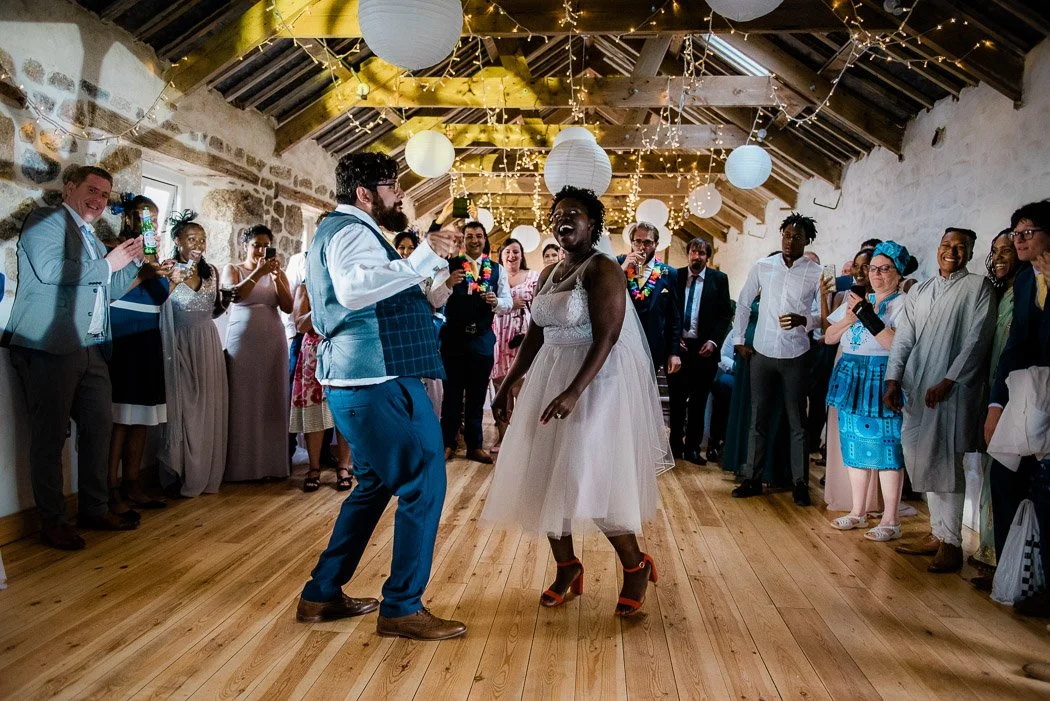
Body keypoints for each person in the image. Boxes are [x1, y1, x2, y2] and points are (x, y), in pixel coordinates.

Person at [297, 151, 466, 640]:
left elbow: (383, 295)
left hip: (358, 380)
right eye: (392, 187)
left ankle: (321, 593)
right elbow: (352, 291)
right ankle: (402, 607)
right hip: (377, 380)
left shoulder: (353, 232)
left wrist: (432, 281)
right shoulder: (350, 229)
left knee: (372, 485)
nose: (400, 197)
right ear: (364, 194)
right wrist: (422, 256)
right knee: (424, 481)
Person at [483, 185, 672, 617]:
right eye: (557, 215)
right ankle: (567, 568)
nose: (562, 220)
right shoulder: (550, 273)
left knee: (589, 475)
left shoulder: (603, 268)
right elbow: (534, 334)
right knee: (544, 474)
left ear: (592, 224)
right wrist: (509, 384)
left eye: (572, 214)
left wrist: (574, 391)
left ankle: (635, 566)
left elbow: (607, 335)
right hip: (549, 377)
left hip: (594, 382)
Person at [2, 165, 145, 549]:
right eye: (93, 191)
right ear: (70, 188)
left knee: (99, 431)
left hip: (92, 347)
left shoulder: (93, 238)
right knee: (50, 438)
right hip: (49, 345)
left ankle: (95, 508)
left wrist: (129, 262)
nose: (99, 201)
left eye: (105, 195)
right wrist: (108, 263)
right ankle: (52, 521)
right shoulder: (46, 220)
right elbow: (50, 271)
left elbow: (107, 288)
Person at [886, 227, 996, 573]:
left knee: (947, 462)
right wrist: (893, 378)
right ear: (937, 249)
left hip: (954, 390)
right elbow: (905, 337)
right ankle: (936, 533)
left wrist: (950, 379)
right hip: (918, 387)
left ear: (971, 252)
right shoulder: (921, 289)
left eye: (961, 247)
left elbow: (978, 339)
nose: (953, 251)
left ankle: (952, 543)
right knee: (920, 456)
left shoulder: (979, 287)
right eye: (947, 245)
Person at [984, 201, 1050, 616]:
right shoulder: (1024, 281)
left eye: (1028, 232)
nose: (1019, 240)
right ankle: (1015, 575)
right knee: (1004, 475)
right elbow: (1016, 344)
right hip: (1028, 394)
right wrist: (995, 404)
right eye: (1015, 233)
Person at [731, 213, 823, 506]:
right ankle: (752, 478)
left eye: (797, 237)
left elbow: (824, 317)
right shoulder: (763, 266)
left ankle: (800, 483)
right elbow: (744, 302)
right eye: (786, 235)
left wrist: (804, 320)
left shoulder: (817, 272)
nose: (790, 241)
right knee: (757, 418)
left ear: (807, 240)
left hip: (796, 354)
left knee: (798, 422)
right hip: (762, 352)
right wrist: (739, 340)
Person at [824, 242, 912, 541]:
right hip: (852, 373)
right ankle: (857, 511)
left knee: (888, 447)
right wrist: (850, 317)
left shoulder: (903, 304)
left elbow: (896, 345)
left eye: (885, 268)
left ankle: (891, 518)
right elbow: (828, 337)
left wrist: (868, 317)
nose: (877, 274)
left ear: (898, 273)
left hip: (882, 375)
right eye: (873, 268)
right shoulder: (858, 299)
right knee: (854, 444)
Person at [106, 194, 173, 522]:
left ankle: (133, 483)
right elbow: (109, 291)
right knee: (120, 415)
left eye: (153, 220)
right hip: (122, 332)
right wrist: (145, 272)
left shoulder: (151, 253)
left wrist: (165, 276)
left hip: (148, 333)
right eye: (143, 218)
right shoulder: (114, 249)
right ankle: (110, 487)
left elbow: (160, 297)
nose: (148, 225)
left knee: (142, 414)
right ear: (129, 219)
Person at [159, 212, 231, 497]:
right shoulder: (167, 269)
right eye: (192, 239)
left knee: (206, 409)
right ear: (177, 241)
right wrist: (175, 280)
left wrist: (225, 304)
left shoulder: (211, 271)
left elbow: (212, 310)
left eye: (202, 239)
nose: (199, 244)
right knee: (183, 407)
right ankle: (180, 471)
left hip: (207, 342)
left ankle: (205, 473)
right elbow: (158, 303)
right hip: (177, 342)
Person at [433, 221, 512, 463]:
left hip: (482, 339)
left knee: (477, 395)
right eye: (470, 236)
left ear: (485, 239)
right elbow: (434, 300)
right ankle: (448, 443)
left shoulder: (496, 269)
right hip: (454, 339)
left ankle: (474, 446)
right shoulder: (448, 266)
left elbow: (508, 303)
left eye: (479, 236)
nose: (475, 240)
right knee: (452, 394)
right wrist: (448, 284)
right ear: (463, 239)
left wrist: (496, 302)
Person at [221, 225, 293, 482]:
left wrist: (275, 277)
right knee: (243, 398)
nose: (261, 250)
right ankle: (241, 467)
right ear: (246, 246)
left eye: (265, 245)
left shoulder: (277, 273)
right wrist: (259, 272)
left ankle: (272, 465)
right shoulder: (233, 269)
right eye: (256, 245)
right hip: (244, 339)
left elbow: (288, 306)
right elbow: (235, 295)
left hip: (273, 340)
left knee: (272, 400)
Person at [971, 229, 1020, 576]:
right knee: (990, 470)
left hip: (1014, 394)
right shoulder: (999, 291)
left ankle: (1006, 558)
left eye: (1007, 249)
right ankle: (990, 551)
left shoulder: (1027, 289)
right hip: (992, 391)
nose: (1000, 256)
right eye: (995, 250)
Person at [668, 238, 732, 464]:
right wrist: (675, 340)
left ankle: (693, 448)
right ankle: (675, 445)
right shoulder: (675, 276)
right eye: (694, 252)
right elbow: (668, 311)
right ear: (688, 254)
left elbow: (725, 314)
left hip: (704, 350)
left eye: (702, 253)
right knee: (676, 401)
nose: (697, 257)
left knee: (698, 401)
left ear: (708, 257)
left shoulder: (719, 280)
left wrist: (714, 341)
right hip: (679, 349)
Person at [290, 284, 352, 492]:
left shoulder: (346, 282)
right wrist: (321, 306)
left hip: (344, 347)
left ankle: (343, 466)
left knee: (344, 409)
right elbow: (300, 325)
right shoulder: (306, 288)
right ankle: (314, 468)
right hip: (314, 351)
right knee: (314, 411)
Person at [490, 238, 540, 452]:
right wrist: (509, 304)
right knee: (500, 385)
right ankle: (502, 436)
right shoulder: (493, 275)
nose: (512, 256)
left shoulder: (532, 277)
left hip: (522, 334)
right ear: (501, 255)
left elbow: (539, 303)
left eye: (516, 252)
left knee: (522, 386)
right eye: (508, 252)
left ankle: (523, 438)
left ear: (522, 255)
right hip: (498, 333)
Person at [618, 222, 681, 375]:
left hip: (653, 344)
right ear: (632, 242)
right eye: (637, 241)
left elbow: (675, 316)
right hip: (622, 342)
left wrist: (674, 352)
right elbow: (606, 292)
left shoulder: (669, 273)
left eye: (647, 242)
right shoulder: (619, 264)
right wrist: (623, 268)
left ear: (656, 244)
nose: (641, 246)